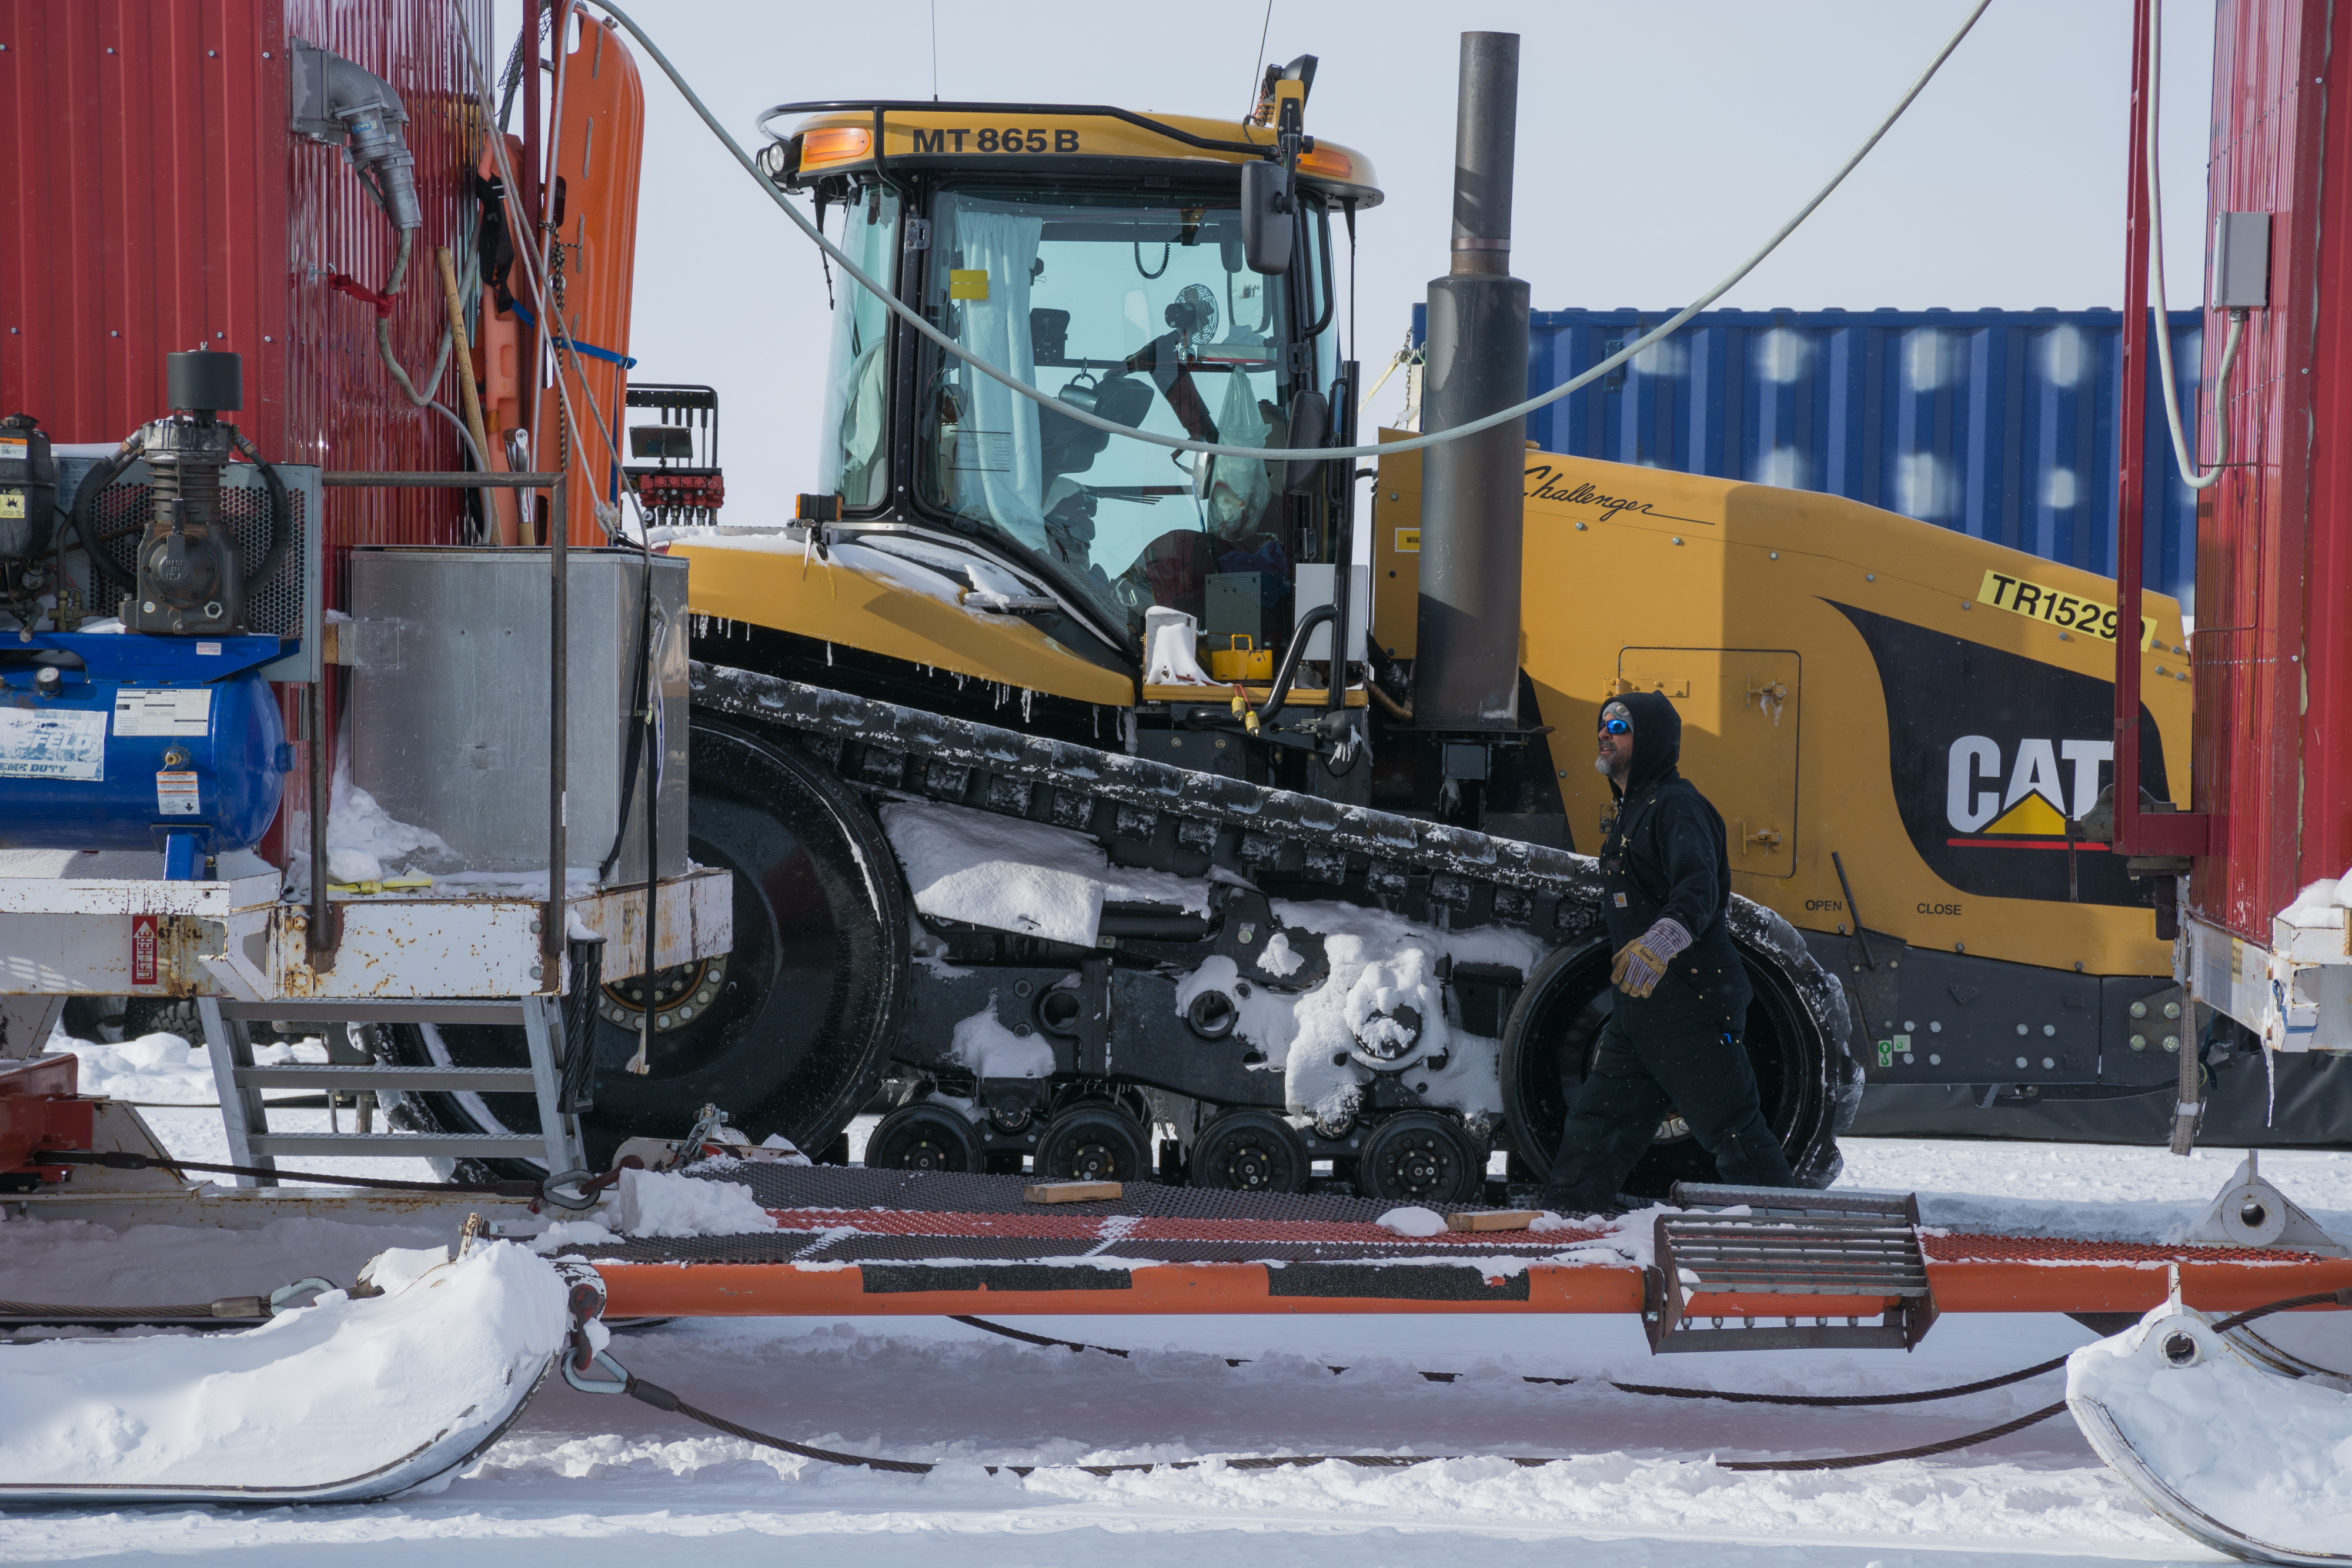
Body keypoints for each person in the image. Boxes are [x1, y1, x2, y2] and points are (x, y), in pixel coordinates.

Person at [1541, 690, 1798, 1215]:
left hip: (1693, 1002)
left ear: (1652, 741)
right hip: (1639, 1009)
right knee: (1597, 1130)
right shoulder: (1634, 809)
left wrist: (1662, 941)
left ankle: (1785, 1242)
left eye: (1620, 725)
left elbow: (1698, 888)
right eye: (1603, 724)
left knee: (1733, 1132)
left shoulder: (1678, 807)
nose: (1604, 733)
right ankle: (1565, 1232)